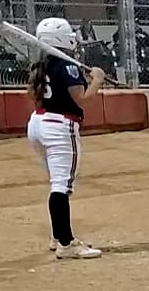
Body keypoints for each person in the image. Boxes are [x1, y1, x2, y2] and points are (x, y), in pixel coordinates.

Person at [26, 17, 107, 260]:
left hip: (38, 123)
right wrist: (98, 80)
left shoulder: (41, 65)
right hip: (59, 126)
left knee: (56, 183)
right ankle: (66, 242)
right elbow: (82, 100)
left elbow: (35, 94)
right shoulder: (67, 66)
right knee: (61, 185)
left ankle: (57, 235)